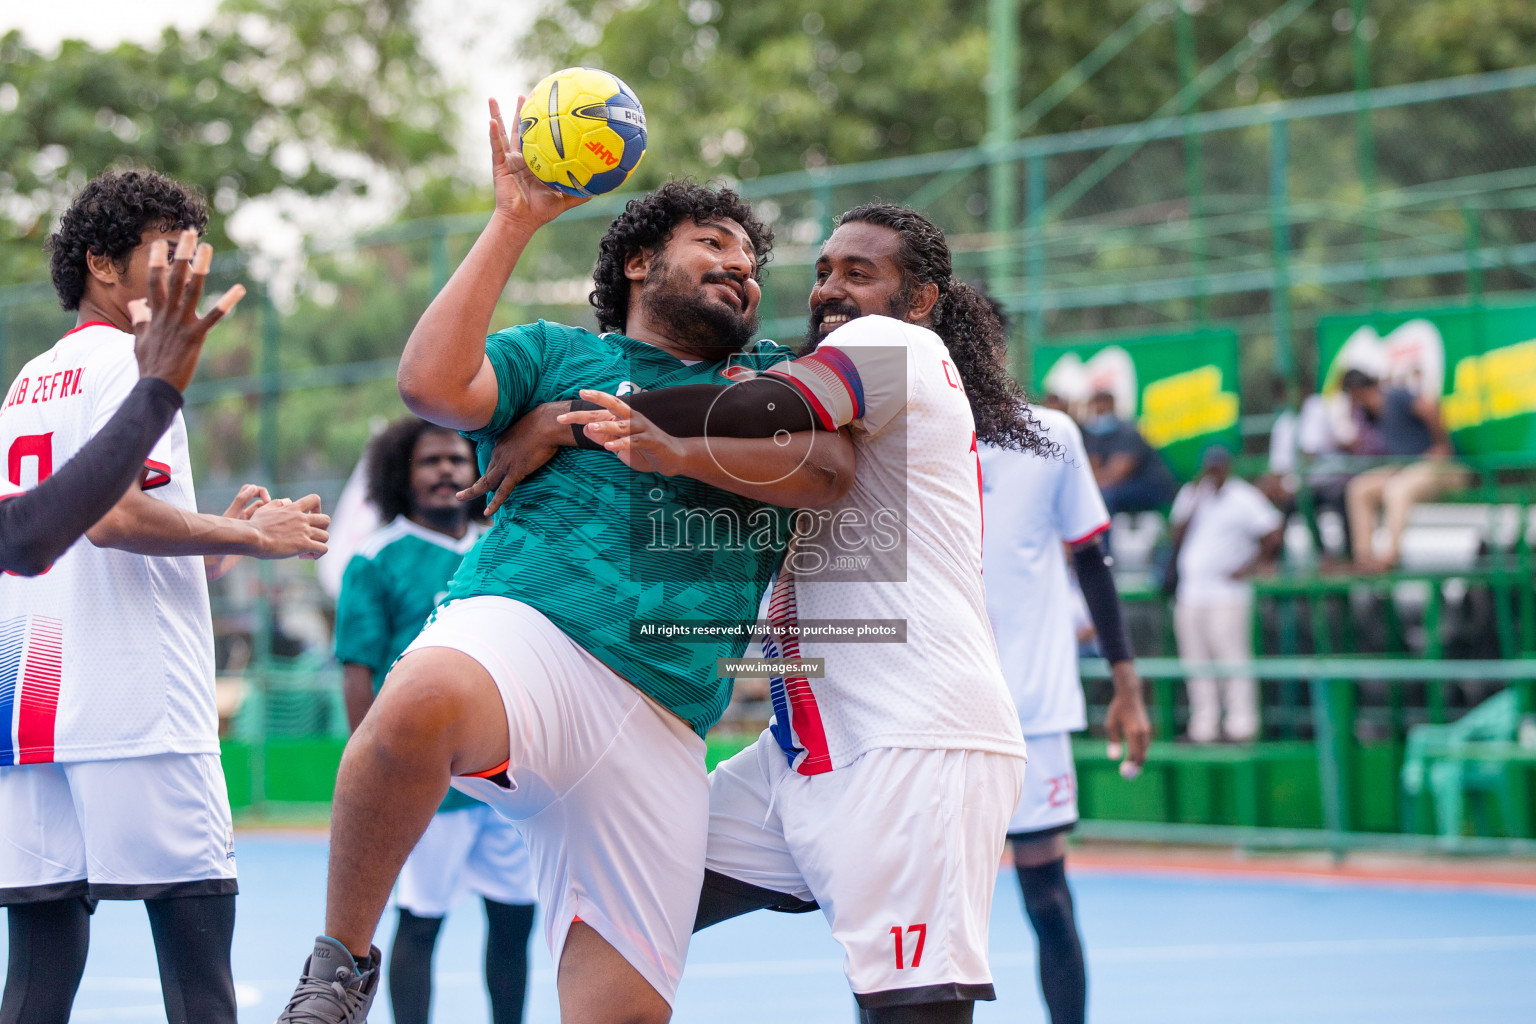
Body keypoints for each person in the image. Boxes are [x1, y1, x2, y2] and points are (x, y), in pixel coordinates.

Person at [275, 99, 855, 1024]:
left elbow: (826, 473)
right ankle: (340, 966)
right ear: (637, 261)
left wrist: (652, 428)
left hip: (668, 716)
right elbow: (429, 382)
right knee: (419, 700)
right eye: (713, 244)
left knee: (618, 1013)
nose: (740, 270)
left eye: (750, 264)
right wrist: (513, 221)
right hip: (530, 626)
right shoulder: (555, 355)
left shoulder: (777, 380)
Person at [533, 205, 1052, 1022]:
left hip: (913, 741)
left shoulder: (895, 345)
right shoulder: (862, 387)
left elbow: (761, 410)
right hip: (806, 754)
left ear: (920, 301)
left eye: (859, 273)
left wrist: (565, 420)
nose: (830, 290)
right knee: (625, 889)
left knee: (912, 1011)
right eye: (822, 272)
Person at [0, 170, 330, 1024]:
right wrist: (256, 537)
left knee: (36, 973)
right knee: (196, 968)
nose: (192, 265)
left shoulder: (32, 377)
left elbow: (73, 532)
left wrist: (206, 545)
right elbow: (114, 518)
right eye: (169, 249)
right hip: (134, 704)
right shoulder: (131, 360)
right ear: (103, 265)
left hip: (26, 707)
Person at [334, 417, 535, 1024]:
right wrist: (381, 773)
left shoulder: (504, 544)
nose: (447, 469)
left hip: (506, 776)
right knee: (420, 923)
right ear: (402, 474)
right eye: (429, 461)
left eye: (456, 457)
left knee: (514, 920)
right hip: (428, 784)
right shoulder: (374, 559)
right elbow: (357, 671)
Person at [979, 393, 1151, 1024]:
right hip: (927, 717)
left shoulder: (1049, 435)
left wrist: (1125, 685)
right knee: (907, 919)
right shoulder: (893, 428)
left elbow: (1092, 560)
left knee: (1047, 900)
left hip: (1031, 712)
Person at [1168, 446, 1283, 744]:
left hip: (1227, 593)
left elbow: (1273, 531)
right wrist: (1194, 495)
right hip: (1191, 591)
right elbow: (1175, 534)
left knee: (1232, 659)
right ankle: (1203, 726)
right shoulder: (1193, 494)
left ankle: (1241, 725)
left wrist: (1252, 566)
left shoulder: (1243, 497)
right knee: (1196, 662)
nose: (1214, 473)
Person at [1341, 369, 1469, 572]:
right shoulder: (1369, 413)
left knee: (1397, 488)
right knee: (1358, 488)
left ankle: (1388, 559)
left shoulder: (1395, 395)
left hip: (1443, 467)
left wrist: (1441, 444)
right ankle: (1364, 559)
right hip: (1407, 467)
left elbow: (1430, 409)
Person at [1080, 390, 1177, 517]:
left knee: (1104, 497)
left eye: (1103, 406)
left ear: (1112, 406)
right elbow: (1091, 469)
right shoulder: (1094, 436)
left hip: (1152, 487)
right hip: (1125, 486)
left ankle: (1100, 537)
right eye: (1096, 408)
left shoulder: (1128, 432)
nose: (1099, 411)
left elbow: (1115, 475)